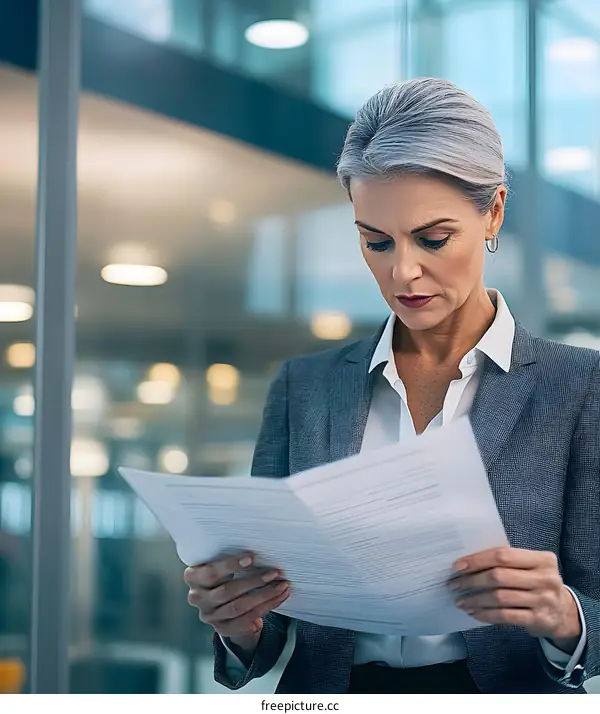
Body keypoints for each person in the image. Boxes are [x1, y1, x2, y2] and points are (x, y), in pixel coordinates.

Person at [184, 78, 600, 694]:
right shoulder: (305, 389)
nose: (402, 271)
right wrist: (239, 622)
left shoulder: (580, 388)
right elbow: (274, 623)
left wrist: (565, 615)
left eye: (433, 239)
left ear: (494, 211)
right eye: (375, 242)